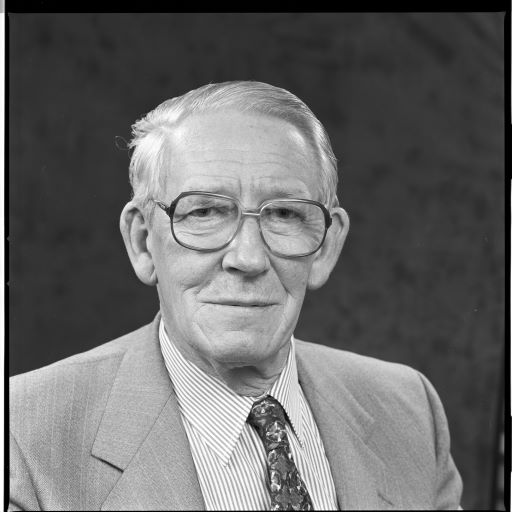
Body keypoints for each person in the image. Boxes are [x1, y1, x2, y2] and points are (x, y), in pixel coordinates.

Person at [9, 81, 463, 511]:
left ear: (325, 245)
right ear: (144, 241)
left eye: (284, 214)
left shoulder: (409, 409)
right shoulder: (23, 432)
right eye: (204, 211)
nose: (247, 258)